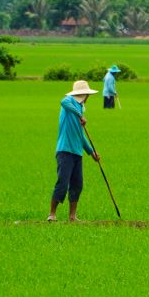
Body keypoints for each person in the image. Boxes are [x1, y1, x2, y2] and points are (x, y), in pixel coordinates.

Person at [49, 80, 101, 222]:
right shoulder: (70, 102)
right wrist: (80, 115)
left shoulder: (80, 107)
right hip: (65, 150)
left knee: (77, 184)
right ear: (84, 95)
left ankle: (72, 216)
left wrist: (91, 152)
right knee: (63, 182)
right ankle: (52, 214)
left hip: (77, 152)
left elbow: (80, 136)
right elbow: (63, 101)